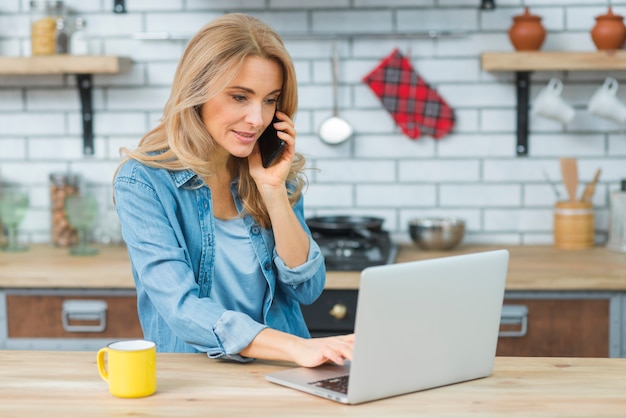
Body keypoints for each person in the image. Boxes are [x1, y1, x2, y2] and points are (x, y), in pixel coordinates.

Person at [113, 13, 353, 367]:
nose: (258, 119)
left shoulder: (271, 169)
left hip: (284, 371)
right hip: (196, 376)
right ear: (198, 92)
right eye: (240, 97)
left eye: (270, 100)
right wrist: (295, 347)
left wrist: (273, 192)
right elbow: (181, 308)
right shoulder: (143, 182)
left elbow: (307, 288)